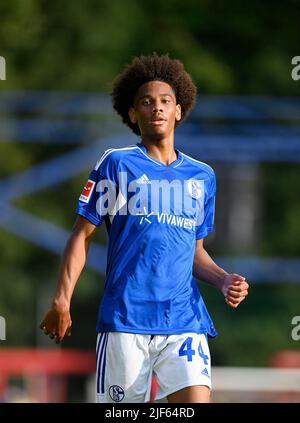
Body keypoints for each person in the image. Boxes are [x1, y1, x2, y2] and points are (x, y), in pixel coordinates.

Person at [40, 53, 249, 403]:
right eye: (147, 102)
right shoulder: (116, 163)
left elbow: (194, 252)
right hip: (126, 321)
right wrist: (62, 300)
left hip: (184, 319)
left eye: (166, 101)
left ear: (179, 110)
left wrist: (223, 279)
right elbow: (82, 234)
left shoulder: (202, 176)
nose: (157, 108)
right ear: (132, 114)